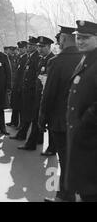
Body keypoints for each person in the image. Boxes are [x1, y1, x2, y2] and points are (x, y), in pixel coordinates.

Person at [39, 26, 81, 202]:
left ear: (63, 39)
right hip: (81, 120)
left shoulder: (57, 61)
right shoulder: (87, 59)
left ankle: (65, 196)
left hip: (60, 121)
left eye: (59, 39)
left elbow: (49, 94)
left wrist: (42, 118)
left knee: (64, 160)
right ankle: (66, 194)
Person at [65, 20, 97, 202]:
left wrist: (85, 124)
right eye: (78, 37)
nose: (81, 41)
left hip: (91, 141)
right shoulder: (86, 59)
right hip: (81, 142)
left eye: (86, 38)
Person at [18, 36, 55, 151]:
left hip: (48, 95)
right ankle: (34, 143)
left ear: (49, 47)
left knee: (49, 122)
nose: (40, 49)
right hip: (38, 95)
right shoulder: (42, 59)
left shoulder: (52, 60)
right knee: (36, 119)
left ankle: (51, 148)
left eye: (43, 47)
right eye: (39, 47)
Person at [10, 36, 40, 142]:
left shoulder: (37, 57)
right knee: (27, 114)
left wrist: (32, 89)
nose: (28, 47)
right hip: (26, 90)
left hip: (32, 91)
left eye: (31, 45)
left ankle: (26, 136)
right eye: (28, 45)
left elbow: (36, 76)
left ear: (36, 46)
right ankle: (23, 135)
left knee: (30, 116)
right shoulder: (29, 56)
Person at [8, 41, 28, 128]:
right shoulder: (20, 57)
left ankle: (20, 124)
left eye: (22, 48)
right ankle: (14, 121)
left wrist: (20, 85)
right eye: (19, 48)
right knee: (14, 104)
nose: (20, 50)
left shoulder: (26, 58)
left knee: (20, 106)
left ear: (25, 48)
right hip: (16, 84)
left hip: (21, 85)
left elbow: (23, 74)